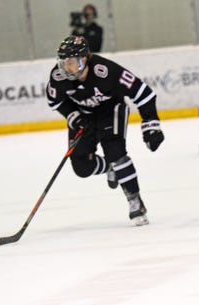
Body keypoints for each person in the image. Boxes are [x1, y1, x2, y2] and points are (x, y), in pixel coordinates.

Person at [46, 36, 164, 226]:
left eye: (70, 63)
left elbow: (144, 94)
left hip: (111, 111)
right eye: (63, 63)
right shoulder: (58, 77)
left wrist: (151, 123)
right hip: (84, 116)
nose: (65, 68)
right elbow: (56, 102)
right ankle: (110, 166)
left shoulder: (106, 71)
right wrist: (73, 116)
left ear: (84, 59)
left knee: (115, 151)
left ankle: (135, 200)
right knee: (81, 167)